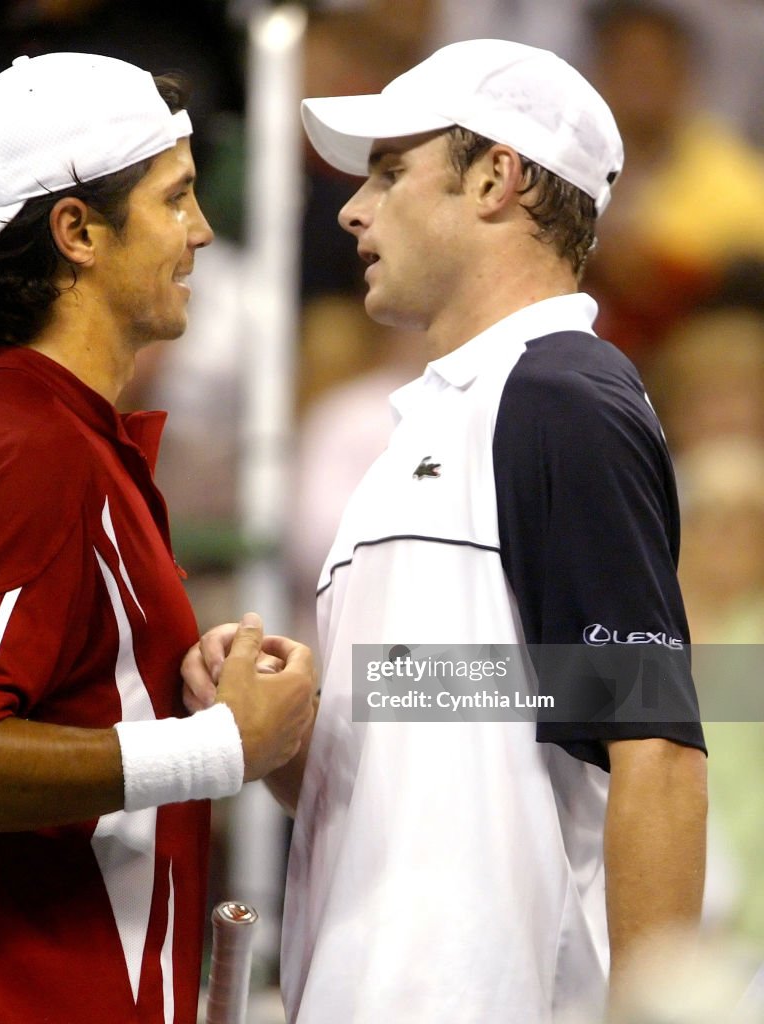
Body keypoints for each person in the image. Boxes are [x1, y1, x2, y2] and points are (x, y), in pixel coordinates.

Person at [185, 38, 707, 1023]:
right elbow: (406, 772)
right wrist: (286, 725)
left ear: (495, 180)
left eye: (389, 173)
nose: (352, 208)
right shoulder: (421, 435)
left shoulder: (563, 399)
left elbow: (656, 751)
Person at [0, 52, 316, 1024]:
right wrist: (215, 745)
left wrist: (170, 682)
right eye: (177, 198)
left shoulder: (46, 438)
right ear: (77, 231)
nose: (200, 232)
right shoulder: (25, 449)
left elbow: (43, 711)